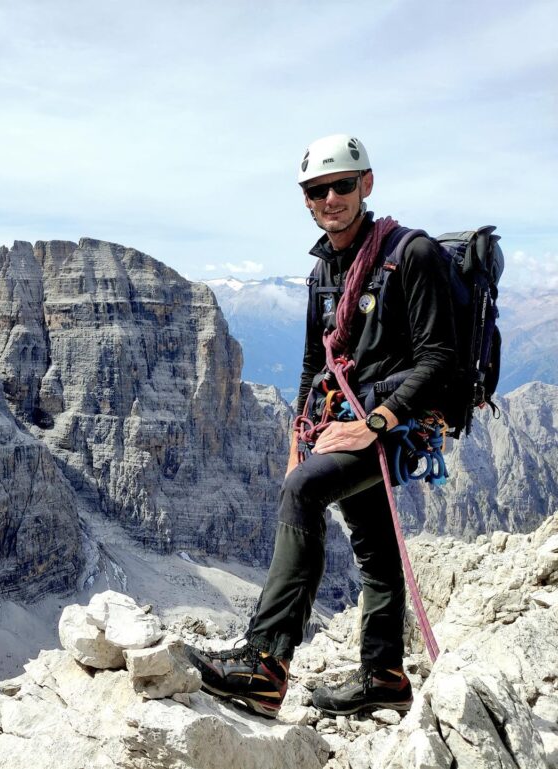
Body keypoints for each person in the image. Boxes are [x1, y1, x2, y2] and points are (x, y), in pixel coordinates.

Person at [187, 134, 456, 718]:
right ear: (305, 198)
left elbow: (440, 360)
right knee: (372, 538)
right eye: (317, 189)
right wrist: (297, 439)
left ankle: (265, 662)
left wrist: (375, 425)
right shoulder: (324, 273)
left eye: (341, 184)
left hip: (398, 423)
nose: (330, 197)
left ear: (367, 183)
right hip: (343, 420)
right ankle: (384, 675)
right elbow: (316, 365)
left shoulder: (414, 255)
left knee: (305, 491)